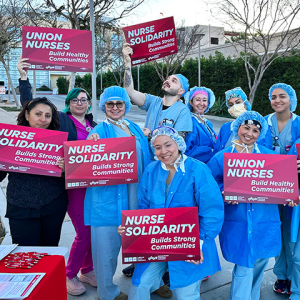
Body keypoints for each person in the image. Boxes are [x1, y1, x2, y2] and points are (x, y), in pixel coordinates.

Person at [17, 57, 98, 296]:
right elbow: (30, 107)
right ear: (68, 103)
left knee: (94, 229)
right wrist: (24, 79)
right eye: (75, 99)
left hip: (95, 185)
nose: (80, 103)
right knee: (83, 231)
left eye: (84, 99)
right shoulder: (61, 121)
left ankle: (88, 268)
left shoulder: (95, 124)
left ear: (89, 103)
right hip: (72, 185)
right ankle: (69, 273)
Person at [118, 126, 224, 300]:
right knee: (140, 284)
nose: (164, 151)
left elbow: (212, 211)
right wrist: (133, 227)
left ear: (178, 144)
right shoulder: (151, 170)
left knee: (185, 293)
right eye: (158, 147)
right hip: (156, 241)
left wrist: (199, 241)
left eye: (168, 145)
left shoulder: (198, 170)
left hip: (189, 242)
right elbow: (144, 205)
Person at [84, 86, 151, 300]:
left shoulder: (134, 127)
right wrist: (89, 146)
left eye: (119, 104)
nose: (115, 107)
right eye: (110, 104)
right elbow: (86, 163)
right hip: (108, 200)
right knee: (106, 253)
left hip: (136, 198)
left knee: (143, 247)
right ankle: (107, 293)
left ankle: (150, 283)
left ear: (126, 106)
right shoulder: (98, 131)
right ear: (104, 106)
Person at [207, 111, 281, 300]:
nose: (249, 133)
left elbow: (282, 183)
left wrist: (289, 195)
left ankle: (252, 296)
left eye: (255, 130)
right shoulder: (222, 157)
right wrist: (224, 192)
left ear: (261, 133)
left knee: (260, 261)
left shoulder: (270, 157)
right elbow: (208, 184)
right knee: (244, 264)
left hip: (264, 218)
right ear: (237, 127)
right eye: (246, 127)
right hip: (238, 219)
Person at [0, 97, 68, 246]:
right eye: (38, 114)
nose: (43, 119)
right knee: (24, 257)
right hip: (20, 207)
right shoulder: (10, 139)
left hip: (53, 206)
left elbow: (72, 177)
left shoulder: (60, 142)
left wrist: (66, 169)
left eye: (47, 116)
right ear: (27, 115)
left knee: (49, 254)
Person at [261, 83, 300, 295]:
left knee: (292, 235)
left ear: (291, 99)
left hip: (294, 190)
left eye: (282, 96)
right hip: (269, 188)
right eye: (273, 96)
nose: (277, 100)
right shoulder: (263, 123)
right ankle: (282, 276)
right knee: (275, 231)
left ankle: (296, 277)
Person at [122, 43, 193, 140]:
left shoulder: (183, 111)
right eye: (168, 79)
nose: (168, 81)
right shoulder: (153, 102)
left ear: (181, 91)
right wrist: (127, 63)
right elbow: (130, 92)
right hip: (148, 155)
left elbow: (178, 140)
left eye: (174, 81)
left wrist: (151, 135)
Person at [213, 87, 251, 153]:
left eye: (238, 102)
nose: (235, 106)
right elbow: (217, 151)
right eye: (231, 105)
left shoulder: (256, 127)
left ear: (245, 103)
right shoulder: (226, 127)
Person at [284, 139, 300, 300]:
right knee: (297, 256)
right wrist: (294, 169)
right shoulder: (298, 145)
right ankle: (297, 290)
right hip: (298, 204)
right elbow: (286, 172)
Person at [184, 86, 217, 163]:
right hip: (197, 167)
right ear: (191, 102)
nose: (201, 103)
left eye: (205, 100)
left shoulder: (207, 123)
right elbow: (187, 150)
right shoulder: (190, 122)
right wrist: (210, 151)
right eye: (197, 100)